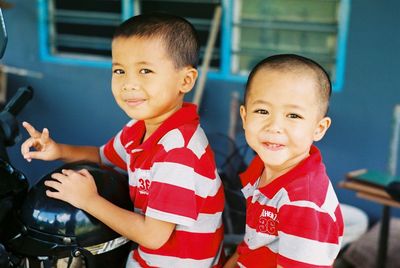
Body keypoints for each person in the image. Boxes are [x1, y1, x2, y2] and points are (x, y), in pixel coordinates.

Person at [21, 13, 225, 268]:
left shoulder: (179, 151)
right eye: (119, 70)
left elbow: (154, 236)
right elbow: (102, 155)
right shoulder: (137, 129)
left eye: (145, 70)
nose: (128, 83)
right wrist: (58, 150)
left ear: (185, 80)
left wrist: (89, 201)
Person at [224, 54, 344, 268]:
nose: (274, 126)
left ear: (319, 128)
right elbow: (253, 242)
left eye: (293, 115)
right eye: (262, 111)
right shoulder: (261, 170)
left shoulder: (304, 202)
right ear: (244, 118)